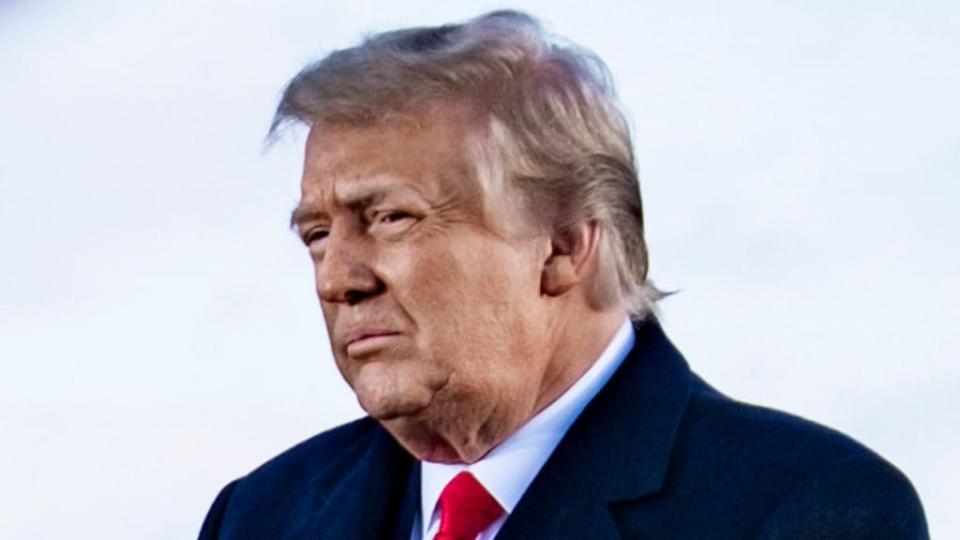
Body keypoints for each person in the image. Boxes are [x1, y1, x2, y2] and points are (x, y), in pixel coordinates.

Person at [199, 10, 928, 539]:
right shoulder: (259, 516)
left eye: (390, 218)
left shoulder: (809, 510)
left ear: (564, 244)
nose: (337, 279)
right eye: (318, 235)